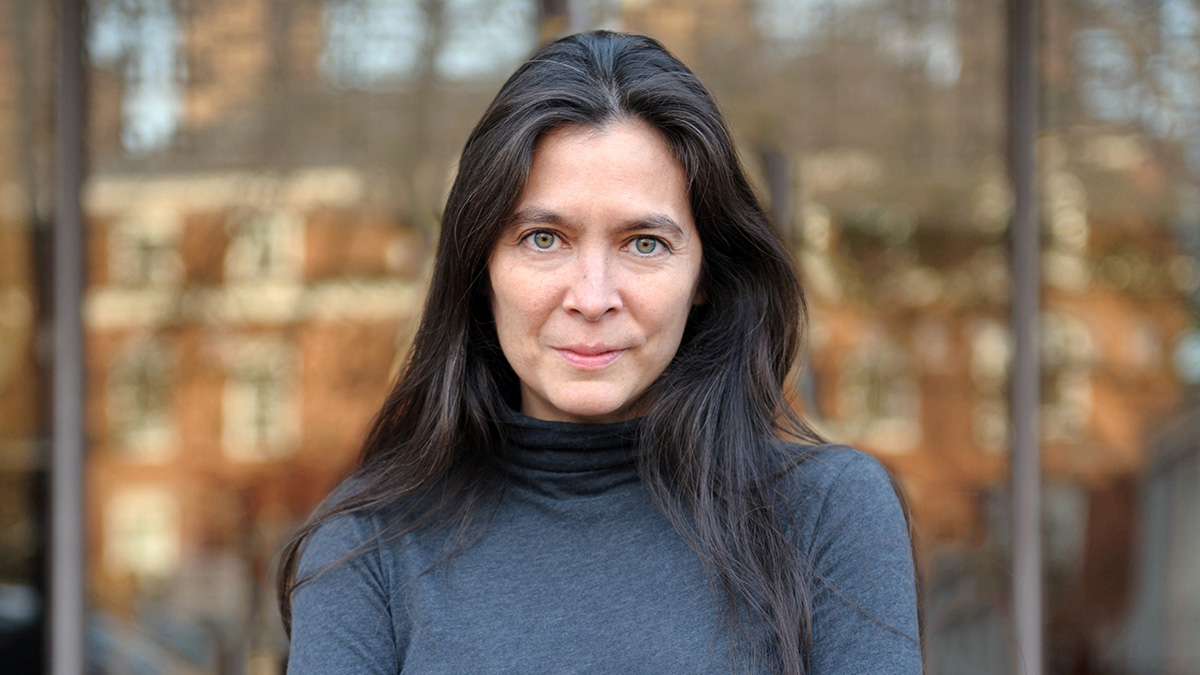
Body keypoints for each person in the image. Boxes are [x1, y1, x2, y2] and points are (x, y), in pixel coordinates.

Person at [277, 31, 921, 674]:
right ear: (480, 266)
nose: (592, 298)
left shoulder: (828, 514)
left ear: (707, 277)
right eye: (542, 238)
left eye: (643, 244)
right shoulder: (367, 551)